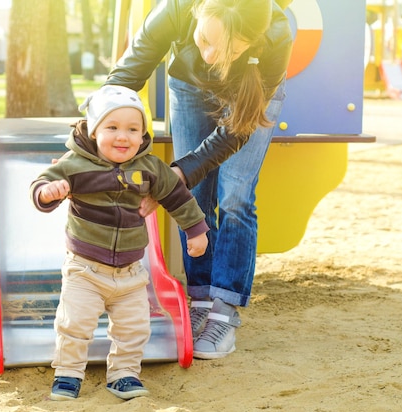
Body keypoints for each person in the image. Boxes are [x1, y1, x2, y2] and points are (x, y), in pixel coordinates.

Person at [104, 0, 293, 359]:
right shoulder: (177, 7)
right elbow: (127, 75)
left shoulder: (275, 37)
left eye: (227, 49)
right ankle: (202, 298)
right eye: (204, 39)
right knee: (193, 194)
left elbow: (234, 132)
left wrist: (177, 173)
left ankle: (224, 309)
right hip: (188, 88)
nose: (208, 55)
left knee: (236, 193)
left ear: (250, 45)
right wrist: (90, 137)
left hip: (249, 98)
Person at [30, 85, 209, 401]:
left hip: (130, 273)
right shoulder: (76, 164)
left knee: (134, 328)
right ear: (94, 129)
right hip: (85, 269)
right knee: (75, 324)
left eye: (132, 129)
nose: (122, 136)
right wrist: (48, 191)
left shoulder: (150, 168)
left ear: (142, 135)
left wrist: (196, 230)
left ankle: (123, 374)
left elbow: (178, 197)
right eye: (112, 128)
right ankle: (68, 374)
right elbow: (42, 183)